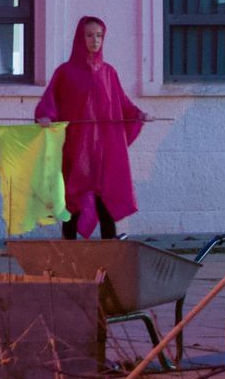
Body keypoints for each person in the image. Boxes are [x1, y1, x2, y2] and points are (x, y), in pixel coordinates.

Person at [35, 15, 147, 239]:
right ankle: (70, 255)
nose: (95, 40)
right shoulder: (66, 73)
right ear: (80, 37)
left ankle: (109, 255)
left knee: (105, 204)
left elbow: (121, 103)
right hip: (76, 150)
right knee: (72, 203)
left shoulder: (108, 73)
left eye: (99, 35)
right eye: (89, 35)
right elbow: (50, 100)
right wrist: (45, 116)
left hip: (102, 152)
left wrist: (137, 114)